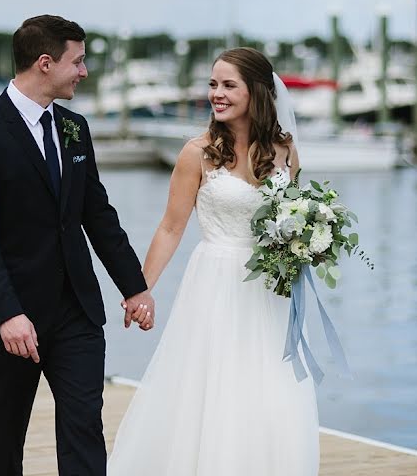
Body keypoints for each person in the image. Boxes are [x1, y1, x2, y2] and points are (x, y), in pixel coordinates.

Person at [0, 14, 155, 476]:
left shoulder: (74, 129)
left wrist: (135, 287)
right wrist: (6, 313)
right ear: (45, 63)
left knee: (84, 425)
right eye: (77, 62)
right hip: (10, 314)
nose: (84, 72)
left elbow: (97, 215)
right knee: (5, 431)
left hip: (76, 311)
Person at [108, 47, 320, 475]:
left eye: (228, 85)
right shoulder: (197, 153)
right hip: (216, 285)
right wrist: (140, 289)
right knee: (213, 386)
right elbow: (170, 227)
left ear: (256, 91)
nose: (216, 94)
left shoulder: (285, 150)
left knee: (268, 390)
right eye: (212, 84)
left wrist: (308, 245)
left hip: (270, 290)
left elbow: (294, 217)